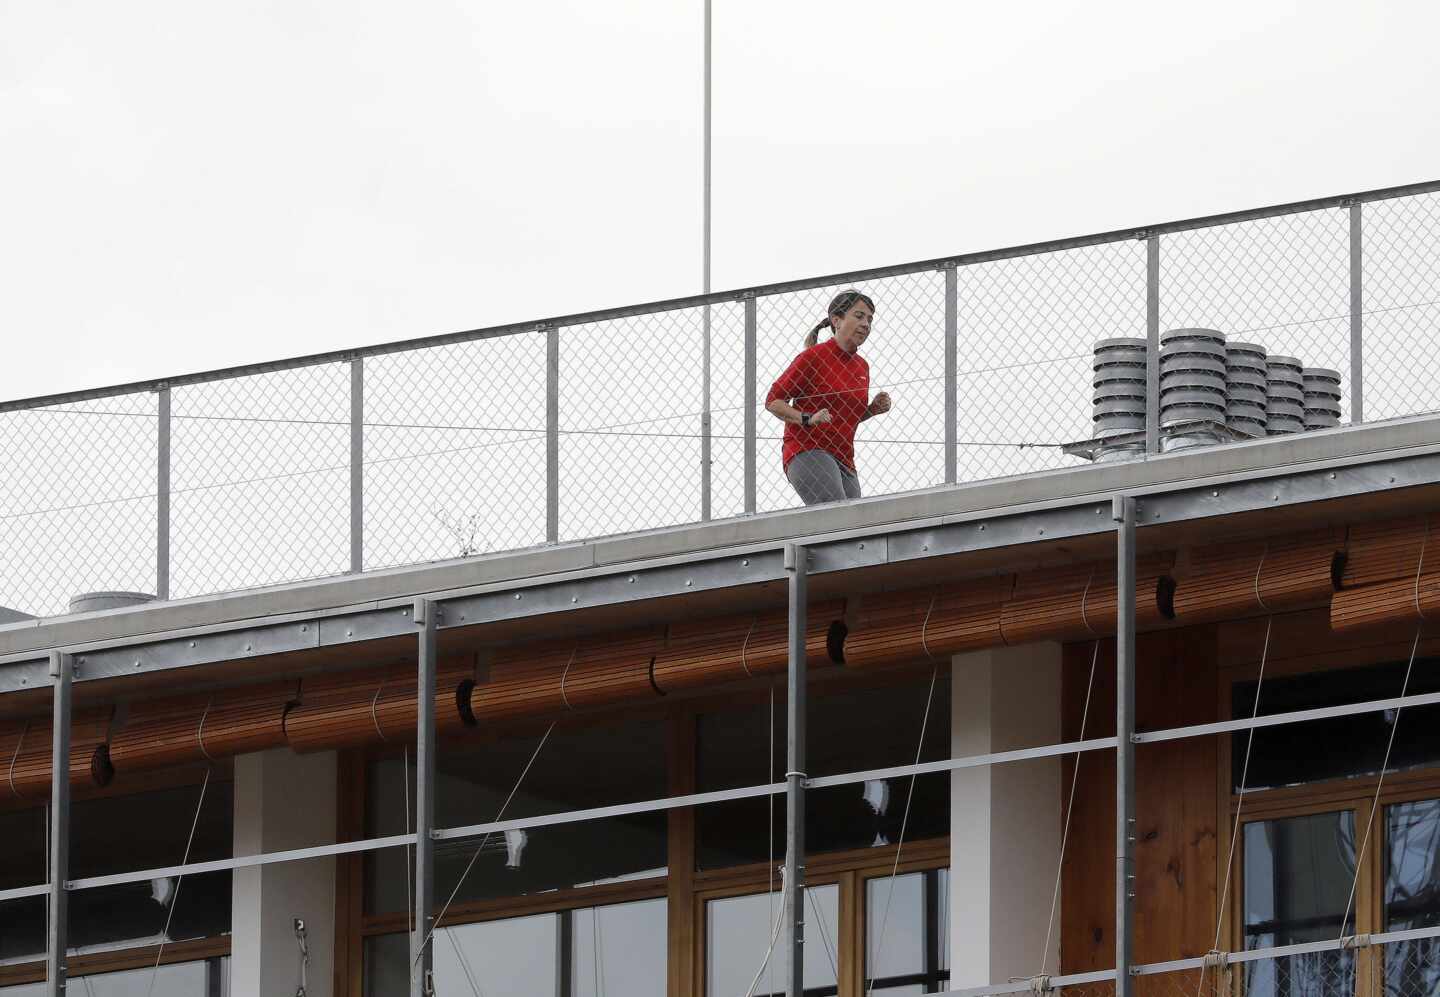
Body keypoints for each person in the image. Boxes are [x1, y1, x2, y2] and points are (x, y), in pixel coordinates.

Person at [765, 289, 891, 505]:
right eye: (859, 316)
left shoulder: (862, 366)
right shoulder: (813, 357)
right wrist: (808, 418)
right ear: (837, 320)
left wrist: (871, 410)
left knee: (856, 524)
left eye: (870, 319)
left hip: (845, 458)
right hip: (808, 449)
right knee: (836, 515)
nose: (866, 324)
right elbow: (773, 401)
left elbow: (846, 416)